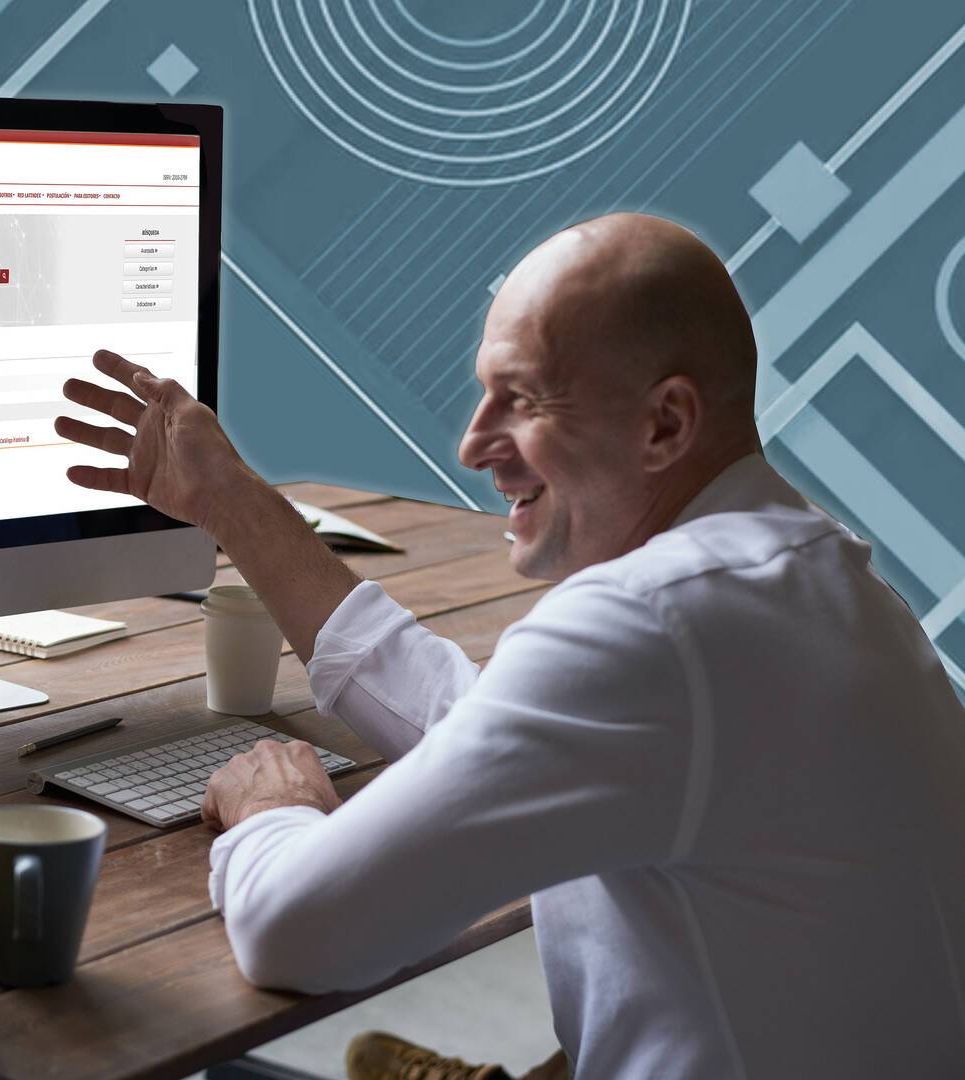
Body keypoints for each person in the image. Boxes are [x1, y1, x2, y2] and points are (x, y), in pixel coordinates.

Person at [55, 213, 965, 1079]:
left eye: (521, 399)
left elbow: (296, 933)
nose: (471, 444)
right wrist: (230, 502)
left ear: (665, 424)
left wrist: (273, 813)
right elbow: (498, 734)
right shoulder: (809, 575)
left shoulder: (649, 624)